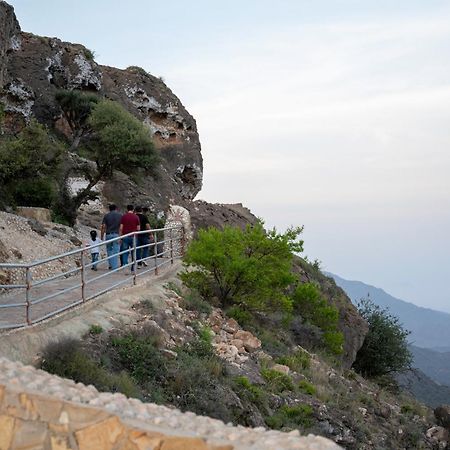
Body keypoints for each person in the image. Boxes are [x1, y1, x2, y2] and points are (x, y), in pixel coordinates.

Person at [119, 204, 140, 272]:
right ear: (133, 209)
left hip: (125, 236)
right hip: (134, 236)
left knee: (125, 251)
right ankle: (133, 268)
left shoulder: (124, 217)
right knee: (134, 252)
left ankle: (125, 265)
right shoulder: (136, 217)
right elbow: (138, 228)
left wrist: (120, 237)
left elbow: (121, 228)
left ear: (127, 209)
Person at [100, 204, 122, 270]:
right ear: (116, 208)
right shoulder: (120, 215)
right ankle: (115, 266)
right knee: (116, 251)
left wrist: (102, 236)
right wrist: (121, 236)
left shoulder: (106, 216)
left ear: (109, 209)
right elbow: (121, 227)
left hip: (108, 234)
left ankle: (111, 264)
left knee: (109, 250)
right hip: (116, 234)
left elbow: (103, 226)